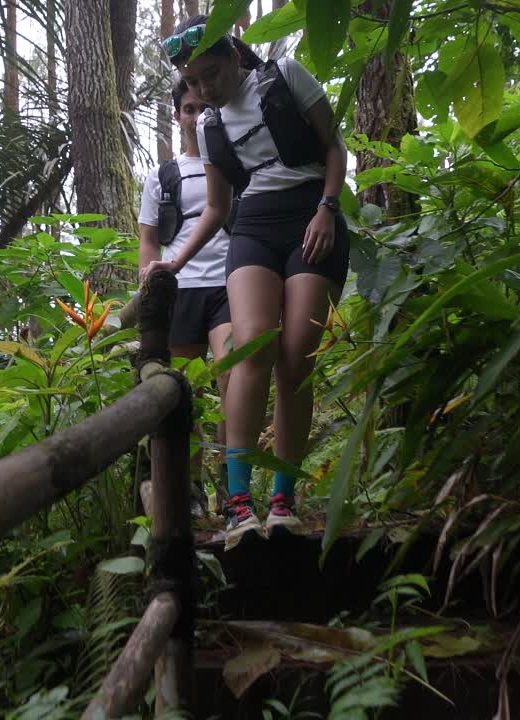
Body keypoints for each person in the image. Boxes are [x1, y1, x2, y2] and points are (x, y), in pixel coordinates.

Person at [144, 15, 349, 549]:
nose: (204, 89)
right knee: (253, 349)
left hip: (311, 216)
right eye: (193, 82)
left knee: (297, 356)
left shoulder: (285, 77)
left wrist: (328, 207)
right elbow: (217, 208)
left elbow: (334, 146)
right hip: (254, 226)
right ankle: (239, 504)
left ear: (235, 55)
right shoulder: (211, 127)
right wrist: (175, 262)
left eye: (210, 74)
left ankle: (284, 499)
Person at [137, 79, 234, 516]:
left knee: (235, 382)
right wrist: (150, 288)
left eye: (202, 107)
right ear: (177, 116)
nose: (197, 116)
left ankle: (236, 490)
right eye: (188, 109)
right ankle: (190, 492)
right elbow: (149, 239)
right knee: (185, 395)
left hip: (230, 285)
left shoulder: (231, 162)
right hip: (182, 289)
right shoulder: (163, 175)